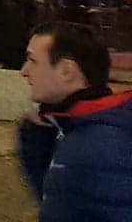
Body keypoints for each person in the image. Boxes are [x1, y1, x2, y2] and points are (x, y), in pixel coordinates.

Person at [17, 21, 132, 219]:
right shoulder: (77, 125)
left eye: (33, 61)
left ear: (66, 71)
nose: (24, 71)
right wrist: (37, 141)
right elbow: (60, 200)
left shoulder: (103, 143)